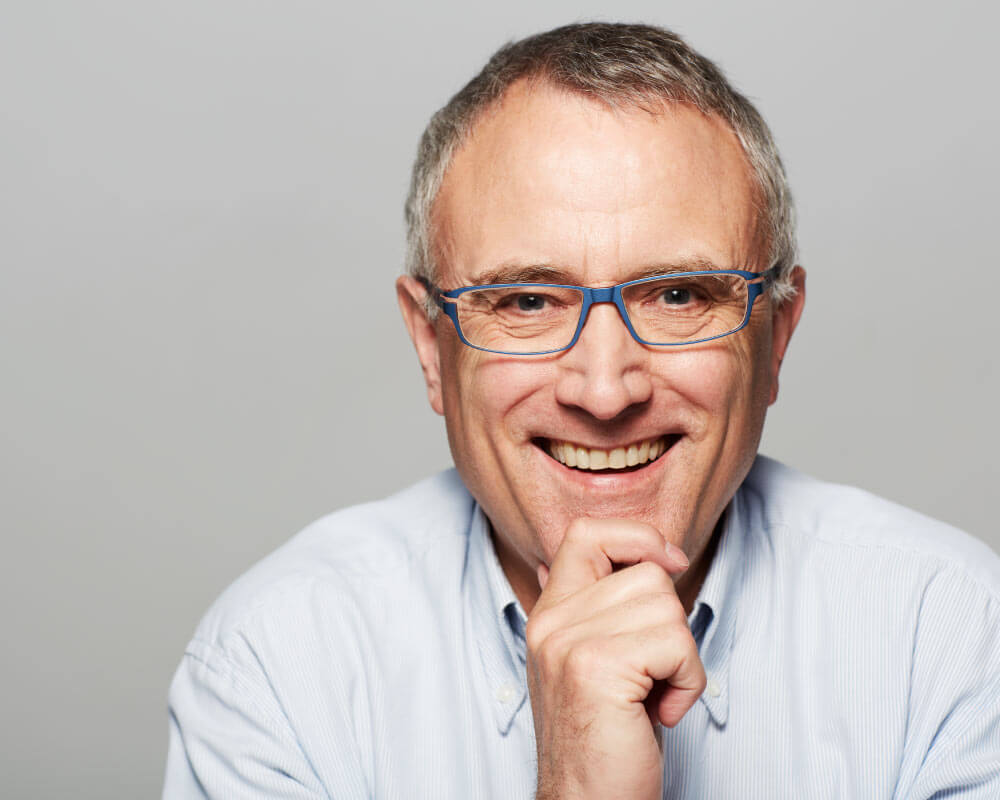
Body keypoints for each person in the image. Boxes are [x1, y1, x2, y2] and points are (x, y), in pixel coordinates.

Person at [163, 22, 1000, 799]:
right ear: (430, 345)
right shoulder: (274, 669)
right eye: (525, 301)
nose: (605, 392)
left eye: (679, 294)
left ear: (776, 334)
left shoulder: (952, 638)